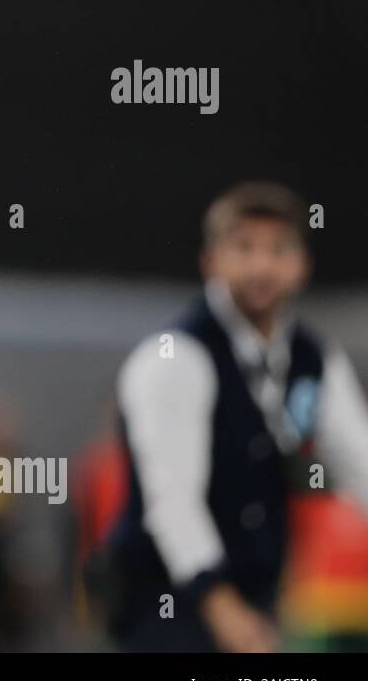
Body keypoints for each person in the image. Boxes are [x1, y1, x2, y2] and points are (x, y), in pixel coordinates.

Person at [105, 182, 368, 651]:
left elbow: (360, 463)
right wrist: (220, 605)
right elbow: (172, 503)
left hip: (255, 599)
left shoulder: (314, 359)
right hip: (165, 609)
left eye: (279, 249)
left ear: (302, 264)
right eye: (244, 247)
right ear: (211, 261)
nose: (262, 266)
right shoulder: (176, 357)